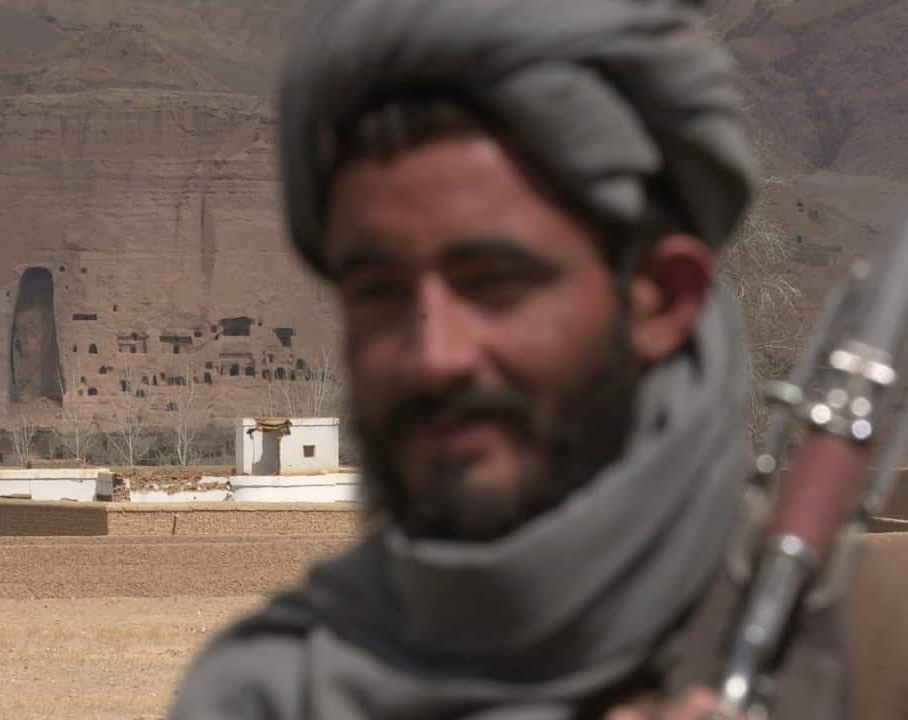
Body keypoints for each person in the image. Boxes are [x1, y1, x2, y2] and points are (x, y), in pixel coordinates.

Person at [170, 0, 849, 718]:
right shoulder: (263, 692)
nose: (435, 357)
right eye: (379, 293)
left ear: (661, 300)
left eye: (496, 284)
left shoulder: (867, 651)